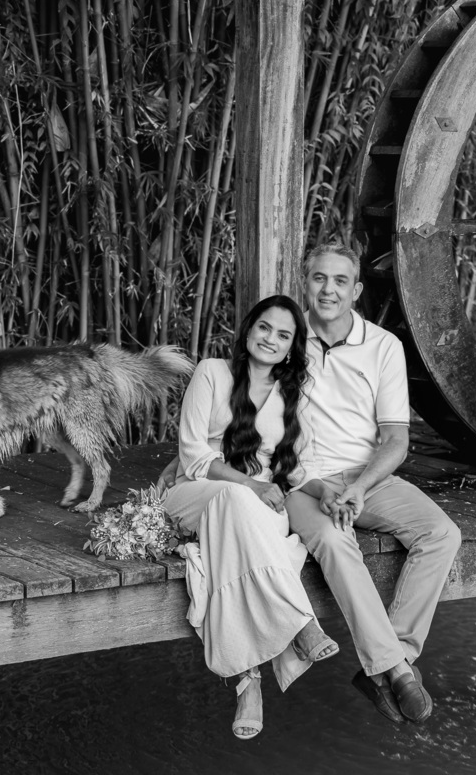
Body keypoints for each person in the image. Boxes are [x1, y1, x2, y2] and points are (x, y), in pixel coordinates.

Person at [283, 242, 461, 725]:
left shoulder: (383, 346)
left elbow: (396, 440)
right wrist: (318, 486)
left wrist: (360, 487)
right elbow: (262, 433)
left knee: (442, 533)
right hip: (303, 483)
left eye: (340, 281)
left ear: (356, 290)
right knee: (337, 546)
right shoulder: (283, 336)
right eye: (320, 278)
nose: (329, 290)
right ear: (306, 281)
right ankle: (398, 673)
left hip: (368, 478)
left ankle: (392, 655)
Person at [163, 294, 340, 740]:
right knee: (240, 503)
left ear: (292, 347)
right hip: (194, 495)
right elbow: (193, 454)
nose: (271, 339)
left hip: (258, 506)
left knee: (247, 520)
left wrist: (331, 493)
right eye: (265, 328)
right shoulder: (212, 373)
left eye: (284, 335)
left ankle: (249, 683)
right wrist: (252, 486)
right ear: (248, 330)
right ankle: (300, 621)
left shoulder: (291, 395)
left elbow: (298, 471)